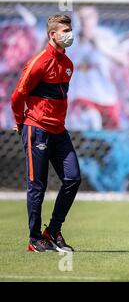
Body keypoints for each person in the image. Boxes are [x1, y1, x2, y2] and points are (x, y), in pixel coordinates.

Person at [11, 14, 80, 252]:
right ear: (53, 34)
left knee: (73, 178)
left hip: (59, 132)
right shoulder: (39, 62)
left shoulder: (69, 65)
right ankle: (34, 238)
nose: (69, 34)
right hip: (37, 129)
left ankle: (52, 230)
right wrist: (21, 122)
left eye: (70, 29)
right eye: (65, 30)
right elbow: (17, 96)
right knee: (37, 185)